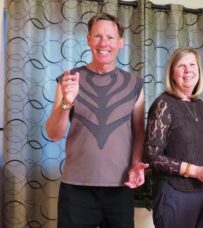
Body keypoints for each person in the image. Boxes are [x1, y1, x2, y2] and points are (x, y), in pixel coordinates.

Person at [45, 13, 148, 228]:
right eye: (98, 36)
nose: (104, 43)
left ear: (121, 42)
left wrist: (137, 163)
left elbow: (139, 131)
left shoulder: (135, 85)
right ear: (88, 40)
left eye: (110, 37)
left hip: (120, 189)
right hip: (77, 190)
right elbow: (54, 134)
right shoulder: (69, 80)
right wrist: (66, 102)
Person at [144, 47, 203, 228]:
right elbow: (152, 157)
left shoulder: (197, 105)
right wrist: (196, 171)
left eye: (192, 64)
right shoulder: (163, 104)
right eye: (181, 66)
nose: (188, 70)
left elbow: (188, 147)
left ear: (199, 70)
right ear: (172, 73)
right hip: (174, 194)